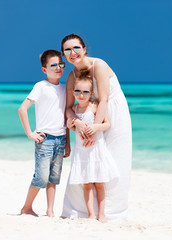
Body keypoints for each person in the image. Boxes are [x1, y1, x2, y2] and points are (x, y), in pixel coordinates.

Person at [60, 34, 132, 221]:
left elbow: (105, 99)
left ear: (84, 49)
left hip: (112, 111)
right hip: (89, 115)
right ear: (64, 55)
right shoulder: (71, 76)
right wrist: (76, 121)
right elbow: (68, 108)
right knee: (88, 158)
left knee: (115, 160)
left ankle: (111, 212)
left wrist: (95, 128)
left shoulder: (98, 65)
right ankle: (82, 211)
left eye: (76, 48)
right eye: (67, 50)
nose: (72, 53)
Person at [18, 50, 70, 217]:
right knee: (41, 177)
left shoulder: (65, 89)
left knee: (54, 178)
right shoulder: (40, 86)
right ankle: (27, 207)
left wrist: (68, 142)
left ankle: (50, 211)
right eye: (53, 65)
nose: (58, 68)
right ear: (44, 69)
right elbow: (22, 109)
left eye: (60, 64)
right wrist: (29, 133)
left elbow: (65, 116)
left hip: (61, 139)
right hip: (45, 139)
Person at [67, 72, 120, 222]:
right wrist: (74, 126)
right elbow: (71, 127)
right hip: (81, 151)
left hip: (96, 150)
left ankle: (101, 214)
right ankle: (91, 213)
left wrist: (96, 128)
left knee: (99, 183)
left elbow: (107, 124)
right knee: (87, 184)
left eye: (85, 92)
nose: (81, 95)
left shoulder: (95, 106)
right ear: (73, 92)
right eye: (78, 91)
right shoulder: (75, 110)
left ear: (91, 93)